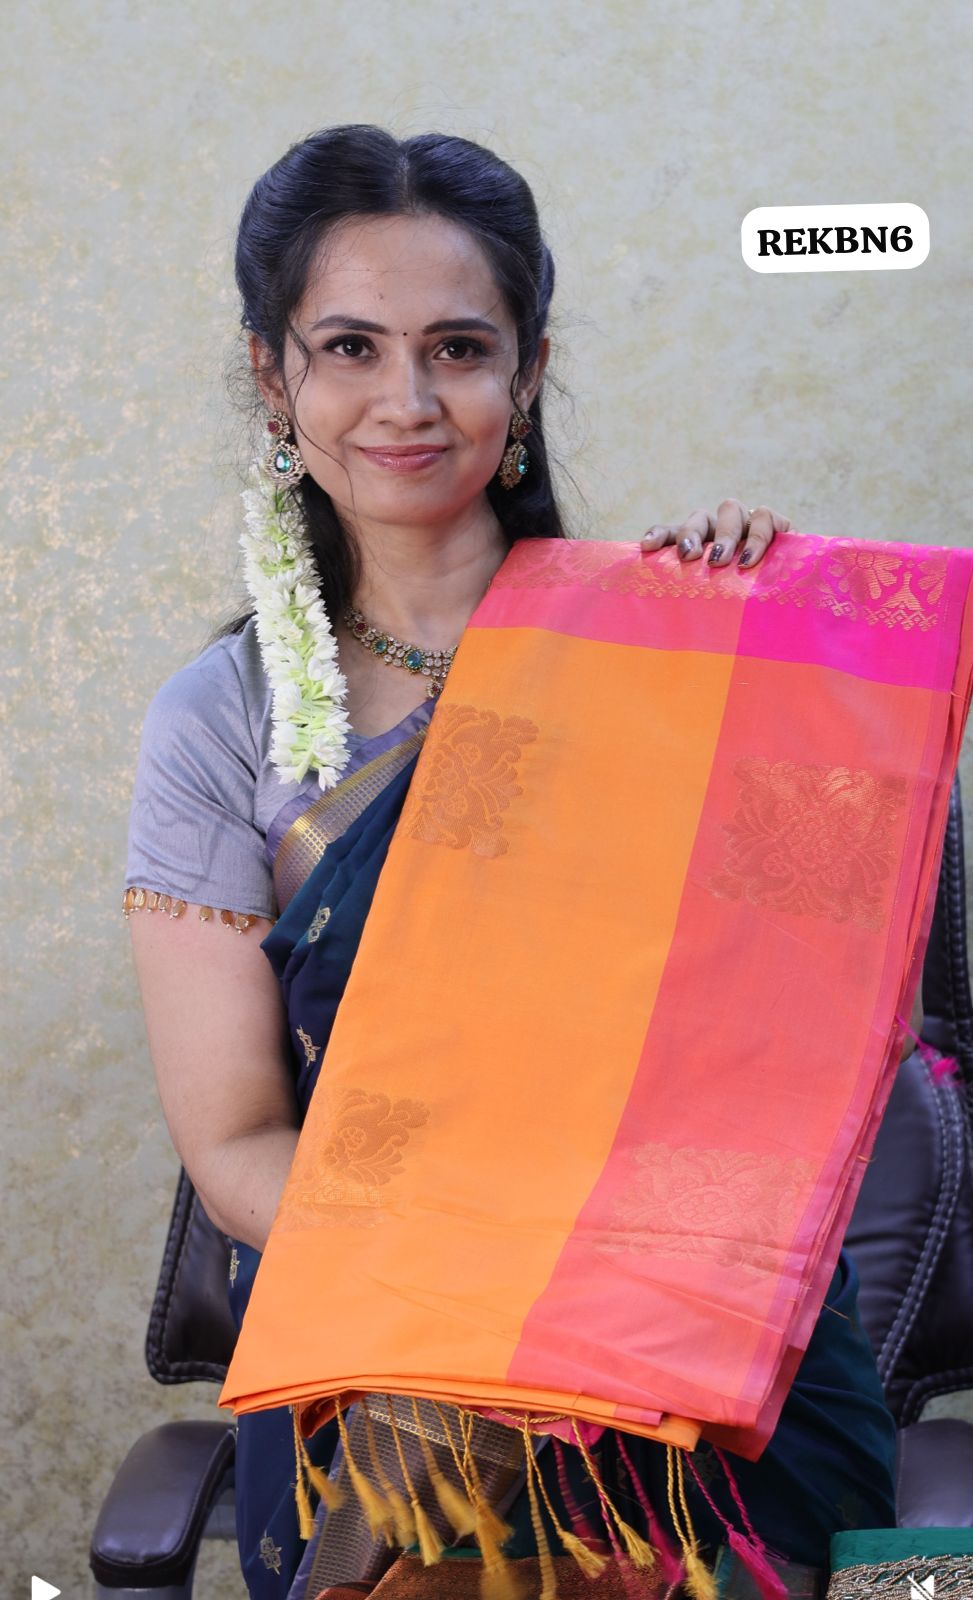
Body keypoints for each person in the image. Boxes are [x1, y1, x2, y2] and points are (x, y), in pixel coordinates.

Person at [123, 125, 898, 1600]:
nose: (405, 401)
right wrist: (492, 1292)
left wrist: (779, 653)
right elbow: (233, 1148)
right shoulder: (220, 723)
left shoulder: (675, 645)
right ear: (271, 377)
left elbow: (792, 1040)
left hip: (697, 1353)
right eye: (348, 346)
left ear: (526, 370)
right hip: (396, 1354)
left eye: (458, 349)